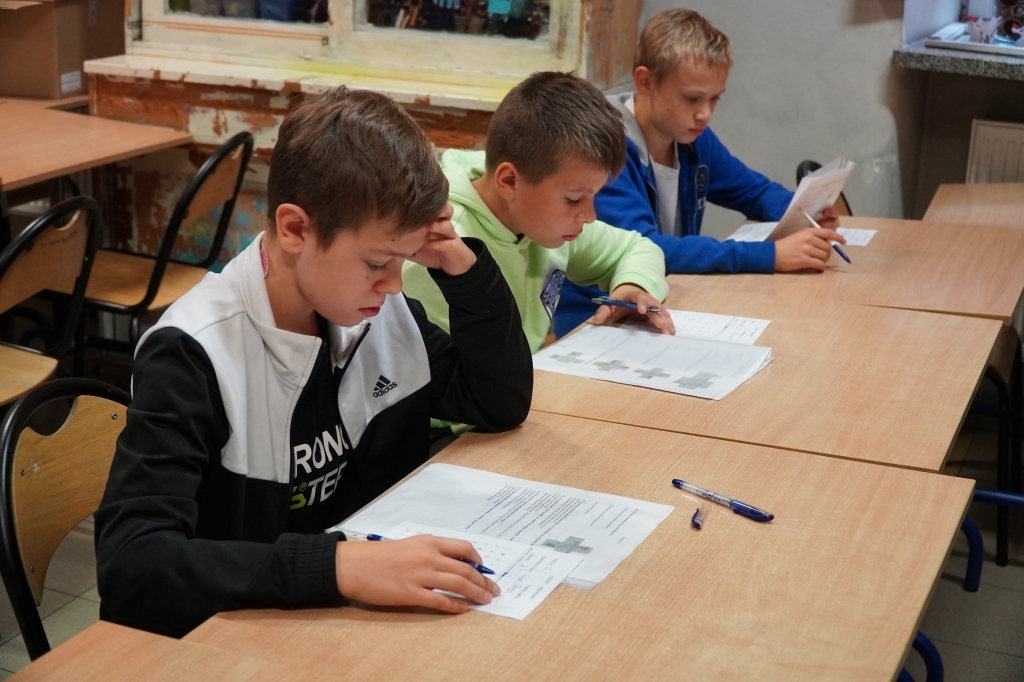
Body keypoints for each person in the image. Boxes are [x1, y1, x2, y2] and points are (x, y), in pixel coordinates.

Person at [94, 86, 533, 638]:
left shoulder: (376, 311)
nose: (395, 284)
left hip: (345, 626)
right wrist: (340, 565)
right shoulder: (192, 353)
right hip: (234, 639)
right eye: (377, 261)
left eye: (403, 259)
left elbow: (498, 402)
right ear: (295, 229)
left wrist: (463, 268)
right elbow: (133, 568)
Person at [553, 9, 845, 338]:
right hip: (597, 315)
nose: (705, 113)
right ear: (645, 82)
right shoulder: (603, 148)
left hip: (664, 300)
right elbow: (649, 247)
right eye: (692, 98)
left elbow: (753, 190)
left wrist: (804, 213)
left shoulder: (692, 137)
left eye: (714, 99)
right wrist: (771, 255)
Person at [401, 70, 674, 367]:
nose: (590, 216)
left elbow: (636, 247)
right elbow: (433, 380)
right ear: (509, 181)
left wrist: (635, 285)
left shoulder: (541, 221)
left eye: (593, 196)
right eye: (573, 199)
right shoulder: (438, 248)